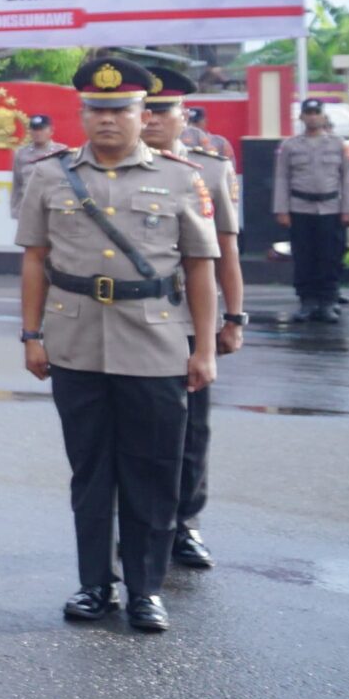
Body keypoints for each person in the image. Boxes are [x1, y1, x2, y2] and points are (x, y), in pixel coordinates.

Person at [18, 58, 219, 634]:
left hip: (154, 341)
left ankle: (145, 589)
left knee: (152, 471)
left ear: (141, 114)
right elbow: (34, 261)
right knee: (91, 472)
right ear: (82, 114)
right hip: (74, 340)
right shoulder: (50, 175)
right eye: (97, 110)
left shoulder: (183, 177)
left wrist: (202, 348)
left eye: (120, 110)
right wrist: (32, 336)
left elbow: (200, 270)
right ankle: (94, 585)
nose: (108, 120)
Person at [143, 66, 246, 572]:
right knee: (135, 428)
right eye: (143, 108)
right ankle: (137, 522)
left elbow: (227, 251)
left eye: (162, 110)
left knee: (192, 428)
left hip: (189, 317)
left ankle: (184, 523)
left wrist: (235, 318)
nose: (151, 119)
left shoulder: (209, 169)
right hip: (133, 320)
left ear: (184, 115)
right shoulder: (98, 170)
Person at [274, 99, 349, 322]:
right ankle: (307, 301)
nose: (312, 117)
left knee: (330, 257)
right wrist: (281, 209)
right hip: (300, 208)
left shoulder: (339, 144)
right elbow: (282, 178)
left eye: (316, 113)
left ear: (323, 117)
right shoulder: (290, 146)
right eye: (308, 113)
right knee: (304, 257)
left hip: (331, 209)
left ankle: (328, 301)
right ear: (301, 117)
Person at [9, 113, 68, 223]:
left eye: (41, 129)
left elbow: (67, 183)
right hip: (28, 209)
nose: (38, 133)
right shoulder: (21, 154)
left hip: (53, 208)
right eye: (34, 129)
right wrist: (15, 209)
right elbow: (17, 184)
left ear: (51, 131)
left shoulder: (62, 152)